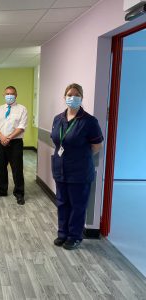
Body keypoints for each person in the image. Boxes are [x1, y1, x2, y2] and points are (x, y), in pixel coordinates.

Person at [51, 83, 103, 250]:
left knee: (77, 205)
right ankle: (63, 233)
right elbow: (57, 140)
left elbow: (97, 146)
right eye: (69, 94)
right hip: (60, 169)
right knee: (62, 203)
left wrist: (81, 158)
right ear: (64, 97)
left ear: (81, 98)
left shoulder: (89, 121)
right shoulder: (58, 118)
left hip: (79, 171)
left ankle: (75, 236)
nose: (72, 97)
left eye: (76, 95)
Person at [0, 86, 28, 205]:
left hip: (15, 143)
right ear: (4, 95)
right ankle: (2, 190)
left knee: (17, 169)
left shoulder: (22, 109)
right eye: (7, 94)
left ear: (16, 95)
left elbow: (21, 127)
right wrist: (2, 137)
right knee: (0, 167)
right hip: (0, 142)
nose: (9, 96)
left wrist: (9, 137)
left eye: (12, 94)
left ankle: (19, 193)